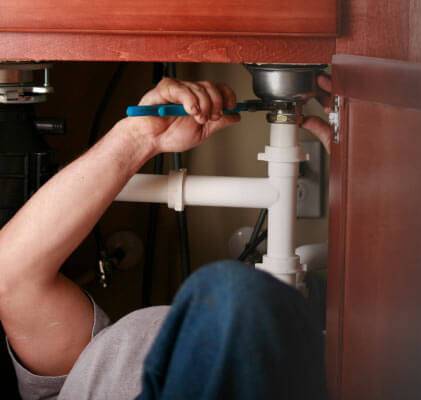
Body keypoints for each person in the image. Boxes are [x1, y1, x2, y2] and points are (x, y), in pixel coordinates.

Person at [0, 75, 333, 399]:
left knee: (236, 293)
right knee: (232, 291)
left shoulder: (78, 378)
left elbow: (12, 276)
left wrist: (140, 138)